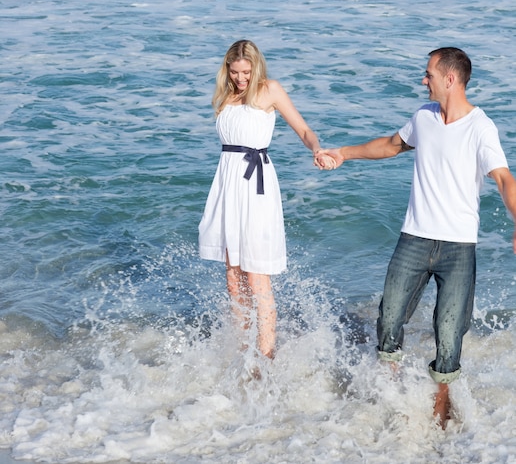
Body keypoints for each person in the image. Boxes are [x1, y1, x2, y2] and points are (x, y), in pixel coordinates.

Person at [318, 47, 516, 427]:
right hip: (414, 238)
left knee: (448, 332)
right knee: (388, 318)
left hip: (458, 247)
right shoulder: (423, 117)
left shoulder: (481, 127)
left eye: (428, 74)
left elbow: (504, 178)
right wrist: (344, 153)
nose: (423, 80)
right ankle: (388, 394)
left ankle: (441, 407)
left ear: (450, 79)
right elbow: (392, 145)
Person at [199, 39, 334, 361]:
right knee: (233, 275)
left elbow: (303, 130)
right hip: (228, 184)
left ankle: (267, 355)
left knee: (256, 274)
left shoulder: (269, 89)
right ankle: (242, 348)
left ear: (256, 67)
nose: (241, 79)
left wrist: (316, 149)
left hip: (256, 186)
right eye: (234, 72)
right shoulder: (226, 95)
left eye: (246, 72)